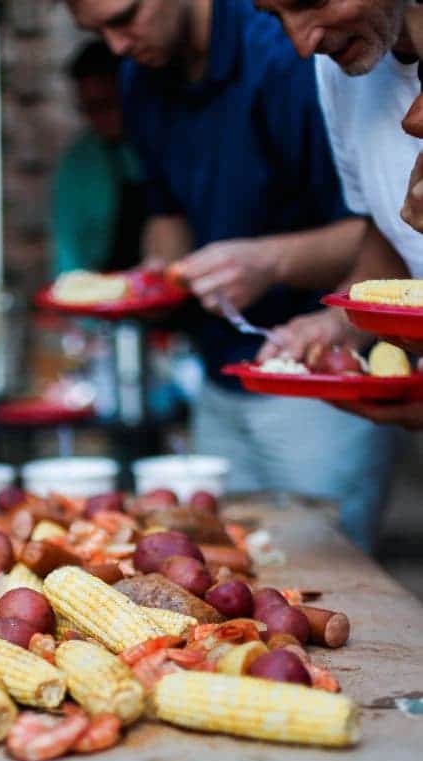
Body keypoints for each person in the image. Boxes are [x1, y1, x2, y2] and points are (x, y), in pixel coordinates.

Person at [64, 0, 399, 553]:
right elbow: (167, 214)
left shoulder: (292, 51)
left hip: (318, 380)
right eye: (97, 30)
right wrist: (158, 275)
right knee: (234, 567)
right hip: (218, 380)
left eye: (124, 19)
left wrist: (269, 262)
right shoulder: (138, 76)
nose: (116, 45)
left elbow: (381, 231)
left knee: (327, 576)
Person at [251, 0, 423, 429]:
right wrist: (341, 325)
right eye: (275, 16)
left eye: (310, 1)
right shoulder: (337, 71)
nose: (301, 44)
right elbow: (390, 232)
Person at [53, 40, 148, 275]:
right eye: (88, 108)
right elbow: (68, 254)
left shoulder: (167, 146)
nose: (97, 117)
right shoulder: (79, 163)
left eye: (106, 104)